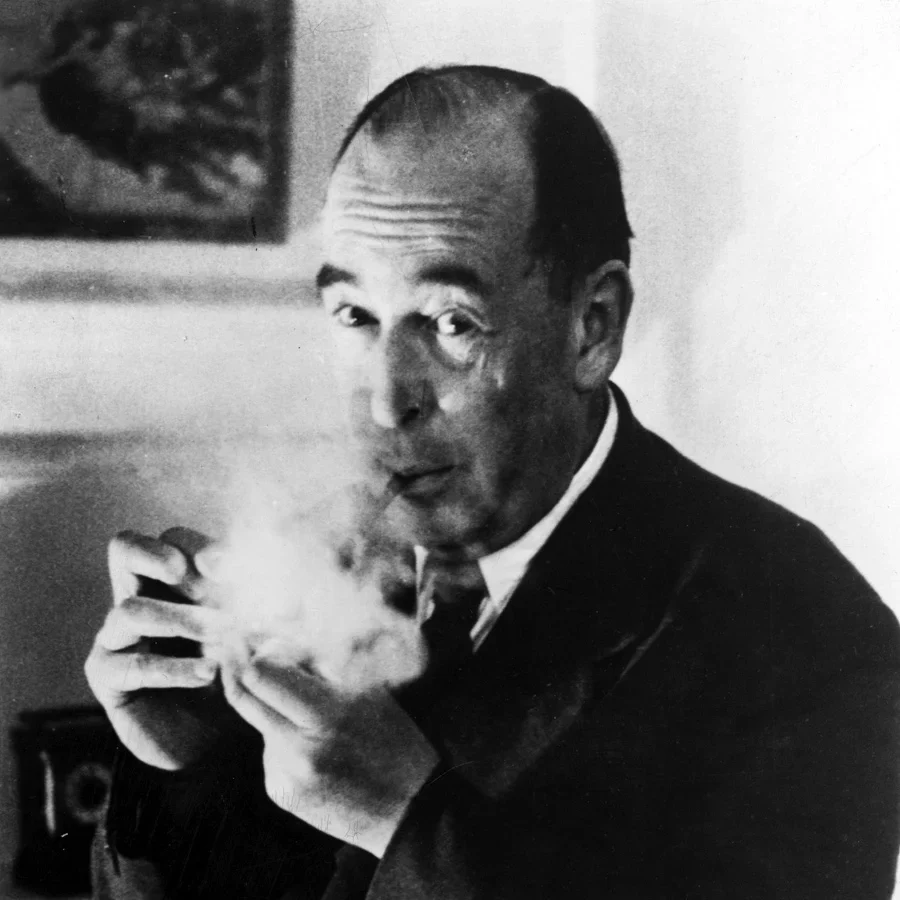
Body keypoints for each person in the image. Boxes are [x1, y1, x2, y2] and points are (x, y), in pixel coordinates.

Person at [85, 65, 900, 899]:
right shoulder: (319, 559)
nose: (386, 402)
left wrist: (407, 821)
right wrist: (181, 763)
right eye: (356, 316)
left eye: (451, 323)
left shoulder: (804, 634)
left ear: (592, 329)